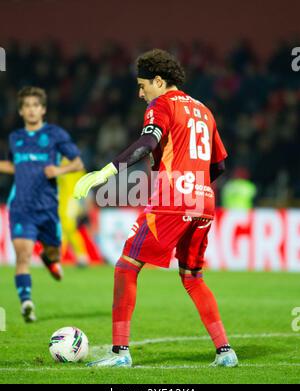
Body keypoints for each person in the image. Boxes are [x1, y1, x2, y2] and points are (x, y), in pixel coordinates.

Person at [74, 49, 238, 368]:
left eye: (142, 85)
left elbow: (148, 143)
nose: (140, 93)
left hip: (173, 198)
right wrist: (197, 187)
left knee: (126, 265)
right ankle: (225, 352)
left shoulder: (160, 104)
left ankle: (120, 354)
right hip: (204, 200)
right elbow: (218, 164)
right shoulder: (204, 110)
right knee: (192, 276)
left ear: (158, 81)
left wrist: (104, 172)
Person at [0, 87, 83, 322]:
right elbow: (16, 166)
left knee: (53, 251)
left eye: (35, 105)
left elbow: (77, 163)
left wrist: (59, 169)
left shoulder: (55, 135)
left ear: (43, 109)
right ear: (20, 111)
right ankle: (26, 302)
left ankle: (49, 259)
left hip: (47, 207)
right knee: (23, 255)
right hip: (21, 207)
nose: (31, 110)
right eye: (26, 106)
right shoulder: (15, 138)